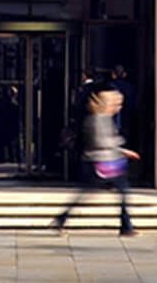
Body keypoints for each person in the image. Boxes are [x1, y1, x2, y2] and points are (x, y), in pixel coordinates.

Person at [52, 88, 138, 237]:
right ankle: (126, 227)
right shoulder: (97, 119)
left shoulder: (103, 118)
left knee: (117, 191)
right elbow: (100, 142)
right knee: (119, 191)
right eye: (117, 103)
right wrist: (122, 150)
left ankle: (61, 218)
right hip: (100, 164)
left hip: (104, 163)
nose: (119, 107)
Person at [110, 66, 135, 141]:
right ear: (124, 74)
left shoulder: (111, 86)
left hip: (113, 121)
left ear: (113, 74)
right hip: (127, 119)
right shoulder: (130, 88)